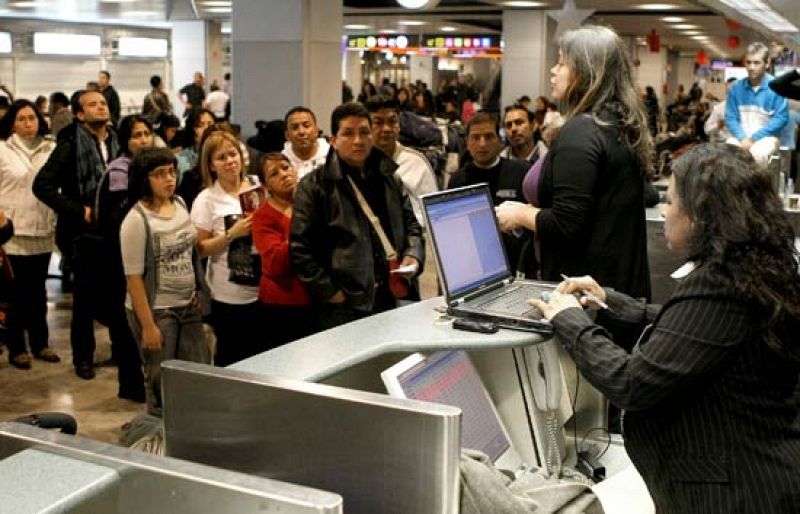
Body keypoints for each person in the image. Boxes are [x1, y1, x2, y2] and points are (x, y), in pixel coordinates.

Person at [530, 143, 800, 514]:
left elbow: (631, 382)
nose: (664, 211)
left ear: (702, 216)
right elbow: (696, 332)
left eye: (672, 202)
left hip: (734, 493)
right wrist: (610, 302)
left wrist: (569, 320)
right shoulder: (751, 269)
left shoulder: (719, 284)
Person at [496, 25, 652, 303]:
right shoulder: (618, 124)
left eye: (561, 63)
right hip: (618, 290)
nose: (553, 71)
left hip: (584, 295)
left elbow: (568, 223)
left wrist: (520, 215)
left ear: (586, 73)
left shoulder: (582, 131)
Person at [291, 102, 424, 330]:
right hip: (346, 304)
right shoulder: (315, 186)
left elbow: (411, 224)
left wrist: (414, 255)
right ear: (333, 139)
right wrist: (331, 292)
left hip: (393, 292)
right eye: (348, 133)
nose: (358, 141)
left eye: (364, 132)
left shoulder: (389, 177)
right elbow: (300, 250)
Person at [33, 90, 122, 380]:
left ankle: (120, 349)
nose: (100, 107)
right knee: (84, 300)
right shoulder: (69, 144)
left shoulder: (115, 139)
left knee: (118, 294)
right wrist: (77, 210)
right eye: (93, 104)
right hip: (82, 234)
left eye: (102, 103)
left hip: (114, 229)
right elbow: (42, 185)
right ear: (80, 115)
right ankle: (83, 358)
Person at [121, 147, 211, 416]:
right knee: (160, 382)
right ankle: (160, 438)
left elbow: (192, 251)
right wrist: (148, 325)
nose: (169, 179)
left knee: (199, 373)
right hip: (158, 311)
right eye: (159, 174)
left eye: (171, 172)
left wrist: (196, 288)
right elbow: (134, 279)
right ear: (144, 179)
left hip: (187, 304)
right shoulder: (136, 220)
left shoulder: (181, 203)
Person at [190, 131, 260, 366]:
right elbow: (199, 249)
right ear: (211, 165)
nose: (230, 161)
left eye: (233, 154)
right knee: (232, 358)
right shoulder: (206, 199)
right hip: (228, 295)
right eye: (222, 157)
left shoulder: (259, 186)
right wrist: (232, 234)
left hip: (265, 290)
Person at [0, 100, 59, 369]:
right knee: (15, 294)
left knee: (38, 291)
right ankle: (16, 347)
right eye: (22, 118)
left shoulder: (50, 148)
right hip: (13, 231)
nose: (28, 123)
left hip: (42, 228)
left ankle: (41, 343)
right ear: (12, 122)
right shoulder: (3, 149)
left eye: (32, 118)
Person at [449, 111, 529, 269]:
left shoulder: (522, 173)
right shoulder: (458, 181)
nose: (482, 144)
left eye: (489, 136)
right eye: (475, 137)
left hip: (516, 266)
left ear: (499, 140)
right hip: (473, 266)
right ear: (467, 142)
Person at [252, 153, 314, 347]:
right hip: (282, 304)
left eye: (286, 168)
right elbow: (275, 263)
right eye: (274, 174)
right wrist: (301, 231)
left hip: (316, 297)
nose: (284, 175)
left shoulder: (311, 204)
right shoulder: (263, 217)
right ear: (266, 186)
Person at [365, 95, 438, 227]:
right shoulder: (359, 163)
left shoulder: (416, 163)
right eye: (378, 122)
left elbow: (434, 215)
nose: (386, 129)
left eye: (392, 121)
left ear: (399, 125)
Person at [725, 42, 789, 167]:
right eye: (748, 62)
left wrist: (754, 138)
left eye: (756, 62)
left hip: (766, 138)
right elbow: (730, 117)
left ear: (767, 63)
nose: (751, 67)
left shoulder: (777, 87)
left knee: (758, 153)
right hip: (741, 137)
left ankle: (756, 186)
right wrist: (742, 138)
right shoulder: (735, 88)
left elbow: (781, 119)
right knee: (727, 150)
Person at [281, 106, 330, 180]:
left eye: (306, 126)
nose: (301, 132)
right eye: (295, 127)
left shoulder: (332, 157)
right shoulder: (281, 162)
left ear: (317, 130)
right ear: (287, 135)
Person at [176, 108, 215, 180]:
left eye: (210, 124)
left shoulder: (221, 155)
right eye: (200, 125)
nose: (206, 128)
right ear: (191, 129)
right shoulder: (180, 160)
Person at [704, 77, 736, 143]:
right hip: (722, 144)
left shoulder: (745, 108)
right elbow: (707, 129)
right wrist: (717, 126)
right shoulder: (719, 108)